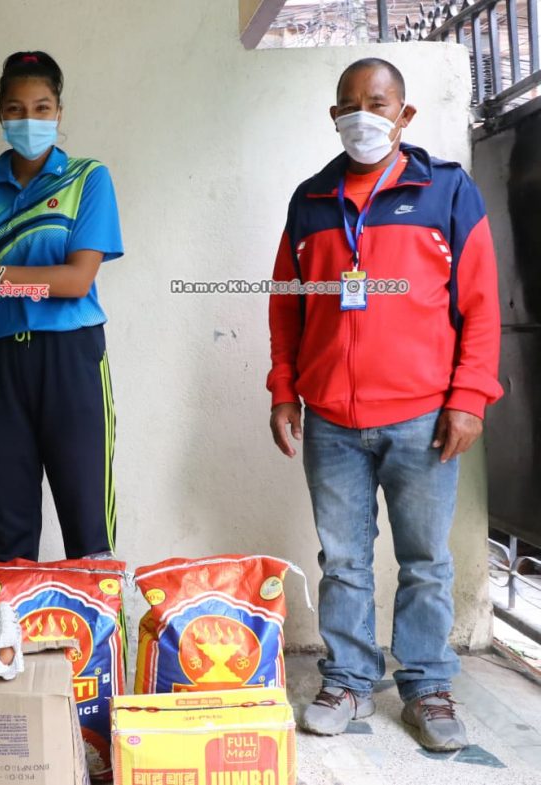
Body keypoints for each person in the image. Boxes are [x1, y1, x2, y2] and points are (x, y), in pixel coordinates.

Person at [267, 58, 502, 751]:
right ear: (333, 116)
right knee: (343, 560)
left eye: (377, 102)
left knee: (425, 559)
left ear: (405, 114)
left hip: (423, 417)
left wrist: (469, 397)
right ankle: (348, 679)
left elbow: (481, 303)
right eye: (349, 104)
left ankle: (427, 685)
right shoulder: (311, 200)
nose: (362, 115)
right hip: (332, 420)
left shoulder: (446, 190)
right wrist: (283, 388)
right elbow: (287, 304)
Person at [0, 51, 124, 562]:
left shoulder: (87, 178)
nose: (29, 120)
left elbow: (76, 281)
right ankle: (13, 617)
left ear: (59, 112)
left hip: (70, 358)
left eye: (41, 108)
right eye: (15, 108)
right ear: (0, 113)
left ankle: (97, 618)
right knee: (10, 536)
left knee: (88, 531)